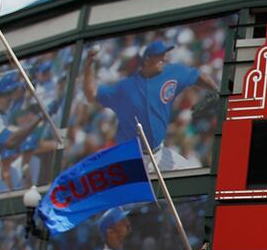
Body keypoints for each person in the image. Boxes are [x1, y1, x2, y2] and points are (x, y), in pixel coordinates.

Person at [83, 40, 219, 171]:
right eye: (159, 56)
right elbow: (92, 94)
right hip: (132, 159)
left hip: (158, 153)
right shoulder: (125, 88)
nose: (164, 58)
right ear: (147, 60)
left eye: (164, 55)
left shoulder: (173, 73)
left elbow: (197, 76)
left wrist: (217, 90)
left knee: (193, 175)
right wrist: (89, 65)